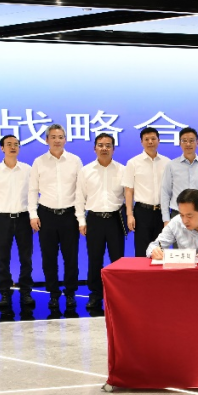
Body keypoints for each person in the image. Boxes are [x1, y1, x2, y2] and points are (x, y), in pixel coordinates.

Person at [28, 124, 83, 313]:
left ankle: (70, 293)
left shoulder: (75, 161)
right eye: (53, 137)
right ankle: (53, 293)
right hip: (46, 215)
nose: (57, 140)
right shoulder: (39, 162)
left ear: (65, 139)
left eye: (60, 137)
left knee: (71, 257)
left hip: (69, 215)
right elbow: (32, 190)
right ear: (47, 140)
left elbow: (80, 191)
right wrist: (33, 214)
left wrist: (80, 217)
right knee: (48, 257)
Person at [76, 133, 126, 316]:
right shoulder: (86, 171)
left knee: (117, 260)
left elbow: (129, 197)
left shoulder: (123, 170)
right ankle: (95, 295)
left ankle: (117, 295)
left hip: (115, 219)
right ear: (94, 148)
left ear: (113, 148)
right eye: (100, 145)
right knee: (94, 259)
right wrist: (81, 220)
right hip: (94, 220)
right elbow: (79, 198)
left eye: (108, 145)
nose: (104, 148)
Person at [0, 135, 33, 312]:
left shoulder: (28, 170)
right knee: (3, 258)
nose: (13, 147)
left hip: (24, 218)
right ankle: (5, 292)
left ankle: (26, 291)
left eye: (16, 144)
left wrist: (33, 216)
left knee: (26, 258)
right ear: (2, 148)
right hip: (3, 219)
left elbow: (34, 195)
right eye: (9, 144)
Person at [123, 127, 170, 257]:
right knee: (142, 250)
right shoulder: (133, 163)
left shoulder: (167, 162)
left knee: (161, 250)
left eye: (153, 139)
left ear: (159, 140)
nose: (150, 142)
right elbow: (128, 190)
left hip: (161, 212)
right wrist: (129, 214)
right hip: (142, 213)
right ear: (141, 142)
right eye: (146, 139)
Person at [160, 127, 198, 224]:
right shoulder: (171, 165)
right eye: (184, 141)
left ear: (197, 142)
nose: (188, 144)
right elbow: (165, 192)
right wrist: (166, 219)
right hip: (177, 215)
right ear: (180, 143)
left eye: (191, 141)